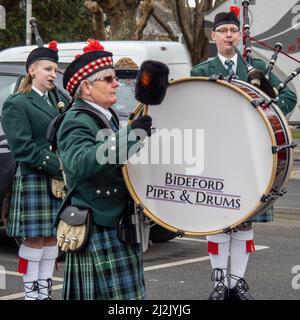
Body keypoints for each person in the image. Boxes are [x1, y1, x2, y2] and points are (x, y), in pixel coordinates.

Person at [191, 12, 297, 300]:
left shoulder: (255, 67)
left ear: (239, 36)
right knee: (218, 217)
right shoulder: (201, 71)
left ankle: (237, 282)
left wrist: (266, 118)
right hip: (215, 155)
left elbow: (288, 97)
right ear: (213, 36)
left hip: (252, 154)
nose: (228, 35)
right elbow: (189, 106)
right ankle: (219, 284)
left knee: (245, 218)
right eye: (222, 30)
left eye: (232, 31)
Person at [56, 39, 152, 300]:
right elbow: (80, 162)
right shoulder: (76, 120)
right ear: (86, 87)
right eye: (108, 78)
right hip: (99, 221)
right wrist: (131, 136)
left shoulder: (105, 116)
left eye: (115, 77)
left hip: (117, 222)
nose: (116, 83)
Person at [1, 41, 63, 300]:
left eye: (55, 69)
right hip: (34, 177)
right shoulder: (18, 103)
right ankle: (30, 293)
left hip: (55, 181)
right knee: (34, 240)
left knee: (51, 239)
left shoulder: (57, 100)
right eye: (47, 69)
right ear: (32, 71)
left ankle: (44, 291)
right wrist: (58, 165)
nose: (53, 74)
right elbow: (23, 149)